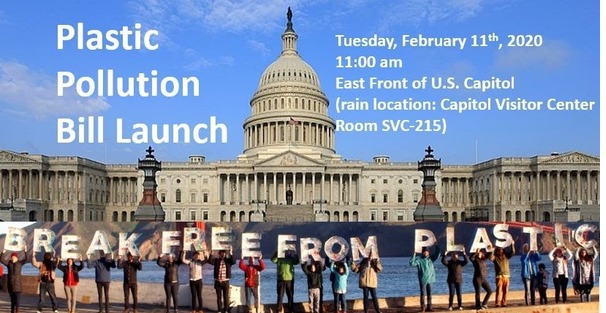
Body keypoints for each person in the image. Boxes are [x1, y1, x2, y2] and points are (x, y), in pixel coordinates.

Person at [409, 246, 440, 312]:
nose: (425, 253)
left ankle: (430, 307)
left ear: (428, 252)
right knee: (423, 294)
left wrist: (437, 246)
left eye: (426, 252)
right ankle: (423, 307)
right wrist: (414, 254)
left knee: (430, 294)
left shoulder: (431, 259)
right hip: (423, 279)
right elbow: (412, 263)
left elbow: (437, 255)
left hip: (431, 279)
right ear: (422, 253)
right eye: (424, 252)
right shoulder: (419, 260)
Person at [1, 249, 27, 313]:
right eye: (12, 257)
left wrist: (25, 251)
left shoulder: (20, 263)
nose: (12, 258)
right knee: (12, 300)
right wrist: (3, 253)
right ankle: (12, 310)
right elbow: (1, 260)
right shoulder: (9, 264)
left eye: (14, 257)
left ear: (16, 257)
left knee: (17, 300)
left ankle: (17, 311)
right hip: (10, 284)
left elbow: (26, 259)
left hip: (18, 285)